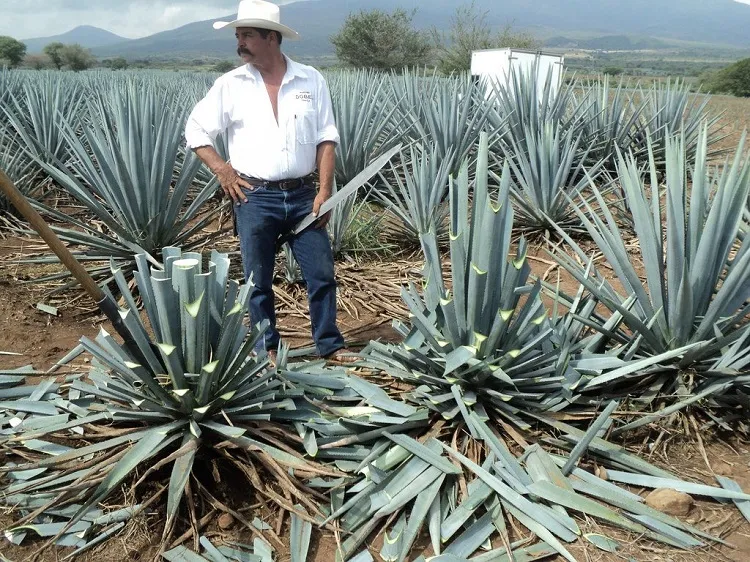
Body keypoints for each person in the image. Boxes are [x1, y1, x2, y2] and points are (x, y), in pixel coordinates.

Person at [185, 0, 352, 364]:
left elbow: (327, 138)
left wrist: (325, 190)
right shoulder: (230, 84)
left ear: (272, 38)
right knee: (257, 280)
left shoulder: (311, 79)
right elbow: (195, 129)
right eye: (238, 35)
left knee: (321, 273)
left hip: (305, 194)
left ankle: (330, 344)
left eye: (247, 35)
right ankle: (267, 348)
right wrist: (222, 170)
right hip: (254, 196)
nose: (239, 42)